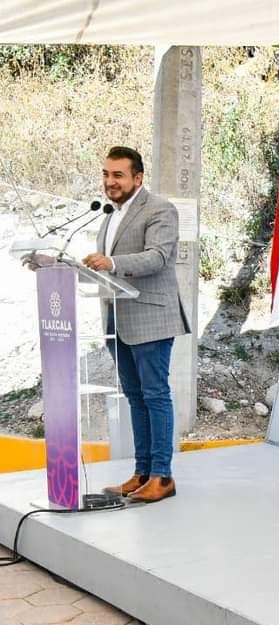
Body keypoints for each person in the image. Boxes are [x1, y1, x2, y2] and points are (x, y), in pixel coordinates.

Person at [84, 146, 190, 504]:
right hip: (117, 318)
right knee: (135, 396)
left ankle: (162, 475)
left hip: (151, 317)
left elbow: (157, 257)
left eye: (118, 175)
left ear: (138, 177)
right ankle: (142, 473)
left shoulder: (160, 209)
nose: (109, 181)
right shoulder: (109, 215)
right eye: (106, 174)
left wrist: (112, 262)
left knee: (155, 395)